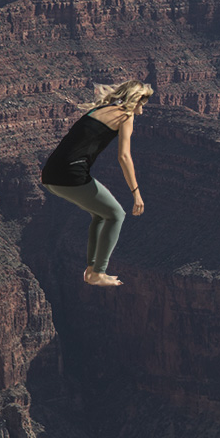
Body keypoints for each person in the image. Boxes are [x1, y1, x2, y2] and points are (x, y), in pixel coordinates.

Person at [41, 80, 153, 287]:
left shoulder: (101, 109)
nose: (142, 109)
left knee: (101, 215)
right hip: (70, 174)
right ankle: (98, 272)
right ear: (136, 100)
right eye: (142, 103)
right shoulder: (125, 115)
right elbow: (124, 157)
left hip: (50, 175)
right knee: (116, 215)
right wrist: (136, 193)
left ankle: (92, 270)